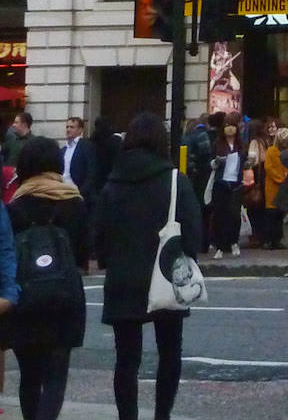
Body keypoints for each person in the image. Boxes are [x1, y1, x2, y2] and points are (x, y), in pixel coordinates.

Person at [90, 112, 202, 420]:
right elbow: (193, 232)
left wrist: (108, 259)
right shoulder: (175, 180)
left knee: (126, 358)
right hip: (165, 274)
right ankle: (161, 415)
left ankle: (128, 416)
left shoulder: (114, 182)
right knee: (169, 352)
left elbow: (98, 234)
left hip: (123, 277)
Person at [7, 135, 87, 420]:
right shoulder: (74, 203)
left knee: (29, 376)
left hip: (23, 297)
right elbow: (83, 252)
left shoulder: (14, 207)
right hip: (64, 298)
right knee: (55, 375)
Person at [206, 121, 243, 259]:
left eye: (233, 125)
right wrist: (217, 161)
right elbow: (211, 163)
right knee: (220, 214)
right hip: (221, 182)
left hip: (236, 183)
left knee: (234, 214)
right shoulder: (217, 144)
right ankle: (220, 246)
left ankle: (234, 242)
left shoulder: (240, 145)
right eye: (227, 125)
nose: (230, 128)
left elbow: (244, 161)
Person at [58, 118, 93, 194]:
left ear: (80, 130)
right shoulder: (63, 150)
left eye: (72, 127)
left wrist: (83, 191)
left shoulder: (87, 146)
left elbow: (92, 172)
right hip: (62, 191)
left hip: (78, 192)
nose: (68, 129)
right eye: (67, 127)